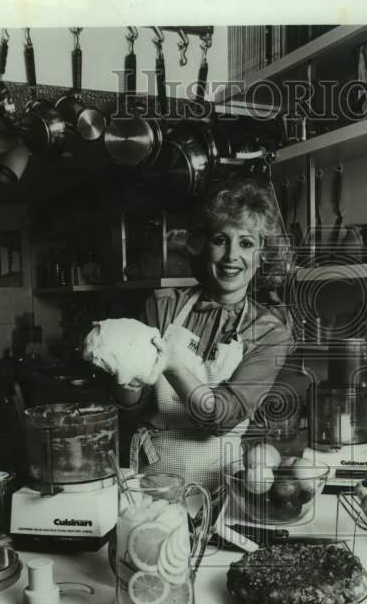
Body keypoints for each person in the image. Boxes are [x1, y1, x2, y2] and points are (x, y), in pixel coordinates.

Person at [113, 178, 293, 490]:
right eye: (221, 240)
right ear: (203, 244)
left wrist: (170, 364)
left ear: (262, 255)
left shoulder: (269, 333)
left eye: (247, 243)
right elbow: (131, 404)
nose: (231, 256)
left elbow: (218, 419)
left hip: (222, 489)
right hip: (153, 484)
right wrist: (123, 371)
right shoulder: (163, 305)